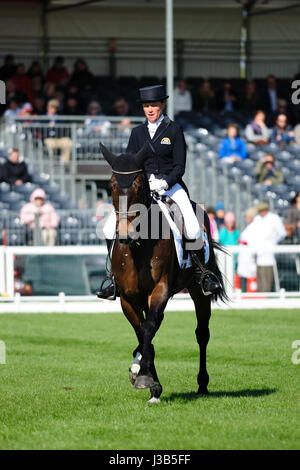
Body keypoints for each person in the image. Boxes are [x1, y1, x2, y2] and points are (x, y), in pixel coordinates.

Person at [97, 84, 221, 299]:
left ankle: (204, 274)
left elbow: (180, 166)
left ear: (162, 104)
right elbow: (129, 165)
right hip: (142, 190)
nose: (150, 109)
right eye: (146, 106)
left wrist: (164, 183)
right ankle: (113, 278)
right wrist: (138, 182)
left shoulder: (174, 130)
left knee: (192, 227)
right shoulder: (137, 133)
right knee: (109, 228)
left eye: (154, 105)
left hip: (170, 188)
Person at [248, 201, 286, 292]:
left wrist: (273, 242)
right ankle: (261, 296)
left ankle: (266, 295)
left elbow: (282, 233)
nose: (261, 212)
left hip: (269, 254)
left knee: (267, 277)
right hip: (259, 253)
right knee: (260, 278)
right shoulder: (257, 219)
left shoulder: (274, 218)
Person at [237, 207, 257, 292]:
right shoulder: (249, 227)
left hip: (249, 258)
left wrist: (243, 242)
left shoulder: (254, 228)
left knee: (250, 279)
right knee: (243, 277)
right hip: (244, 257)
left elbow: (251, 242)